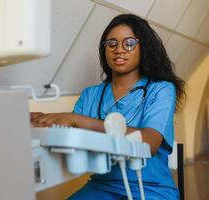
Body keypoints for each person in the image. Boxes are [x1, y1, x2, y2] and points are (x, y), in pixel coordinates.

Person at [31, 14, 186, 199]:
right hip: (102, 187)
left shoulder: (161, 89)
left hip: (151, 189)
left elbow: (149, 142)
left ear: (143, 47)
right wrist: (44, 120)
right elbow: (72, 133)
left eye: (129, 43)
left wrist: (78, 119)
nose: (119, 50)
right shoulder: (91, 95)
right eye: (111, 44)